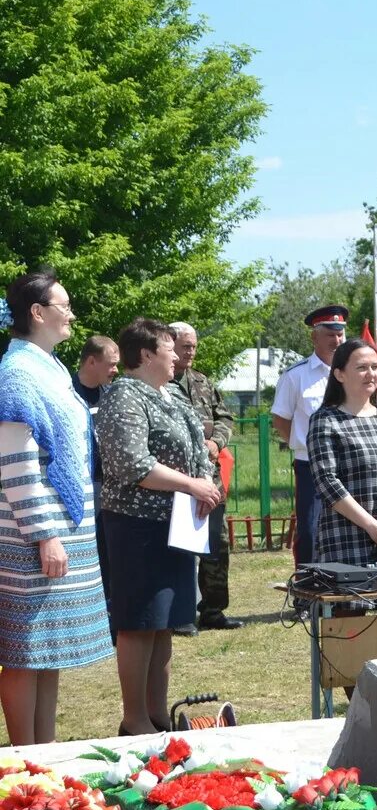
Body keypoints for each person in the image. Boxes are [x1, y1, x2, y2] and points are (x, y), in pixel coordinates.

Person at [0, 272, 112, 744]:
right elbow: (16, 461)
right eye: (63, 305)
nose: (71, 313)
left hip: (60, 533)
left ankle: (44, 756)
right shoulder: (18, 374)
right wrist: (46, 533)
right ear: (37, 313)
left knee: (47, 653)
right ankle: (21, 763)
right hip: (33, 536)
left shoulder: (48, 368)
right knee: (25, 653)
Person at [96, 317, 220, 736]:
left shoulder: (173, 396)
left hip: (177, 526)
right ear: (146, 354)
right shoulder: (124, 396)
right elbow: (132, 463)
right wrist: (191, 485)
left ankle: (157, 716)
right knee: (138, 621)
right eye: (169, 348)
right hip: (137, 526)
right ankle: (133, 720)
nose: (176, 355)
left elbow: (200, 452)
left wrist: (206, 487)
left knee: (163, 621)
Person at [307, 339, 377, 612]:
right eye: (361, 367)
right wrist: (371, 526)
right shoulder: (325, 420)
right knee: (353, 633)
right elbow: (327, 482)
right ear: (339, 374)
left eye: (374, 367)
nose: (371, 373)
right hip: (347, 540)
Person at [168, 321, 241, 631]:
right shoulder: (160, 383)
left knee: (216, 545)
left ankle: (212, 610)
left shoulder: (202, 382)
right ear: (170, 345)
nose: (191, 351)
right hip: (176, 477)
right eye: (186, 345)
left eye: (194, 346)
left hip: (209, 476)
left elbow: (224, 417)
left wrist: (216, 441)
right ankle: (179, 613)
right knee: (180, 547)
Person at [271, 305, 348, 577]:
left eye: (340, 335)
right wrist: (306, 444)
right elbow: (281, 420)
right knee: (310, 529)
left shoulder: (353, 372)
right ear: (314, 338)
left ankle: (348, 587)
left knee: (349, 527)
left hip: (348, 463)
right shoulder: (296, 375)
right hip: (311, 465)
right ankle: (307, 592)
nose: (336, 341)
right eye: (330, 334)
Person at [72, 335, 120, 609]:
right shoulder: (65, 392)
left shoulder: (111, 395)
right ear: (92, 361)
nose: (115, 371)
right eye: (111, 365)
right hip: (81, 485)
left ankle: (109, 612)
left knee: (108, 551)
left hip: (107, 486)